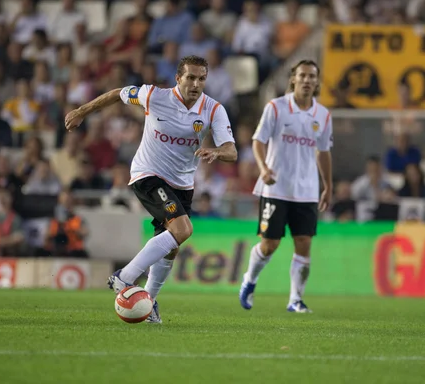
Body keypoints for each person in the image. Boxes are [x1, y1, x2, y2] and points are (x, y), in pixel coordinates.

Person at [65, 55, 237, 323]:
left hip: (182, 183)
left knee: (171, 246)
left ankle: (150, 302)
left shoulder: (213, 110)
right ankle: (124, 277)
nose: (195, 84)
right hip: (148, 174)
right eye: (190, 77)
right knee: (182, 230)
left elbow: (232, 151)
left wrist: (216, 151)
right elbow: (117, 94)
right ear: (178, 78)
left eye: (201, 78)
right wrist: (81, 112)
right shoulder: (154, 96)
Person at [239, 60, 333, 313]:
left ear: (317, 81)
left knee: (303, 242)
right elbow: (258, 141)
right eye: (302, 75)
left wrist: (328, 185)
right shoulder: (276, 108)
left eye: (312, 76)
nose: (307, 80)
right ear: (293, 79)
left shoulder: (323, 115)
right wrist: (263, 168)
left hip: (307, 190)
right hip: (276, 187)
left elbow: (323, 152)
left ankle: (295, 300)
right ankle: (250, 279)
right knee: (270, 244)